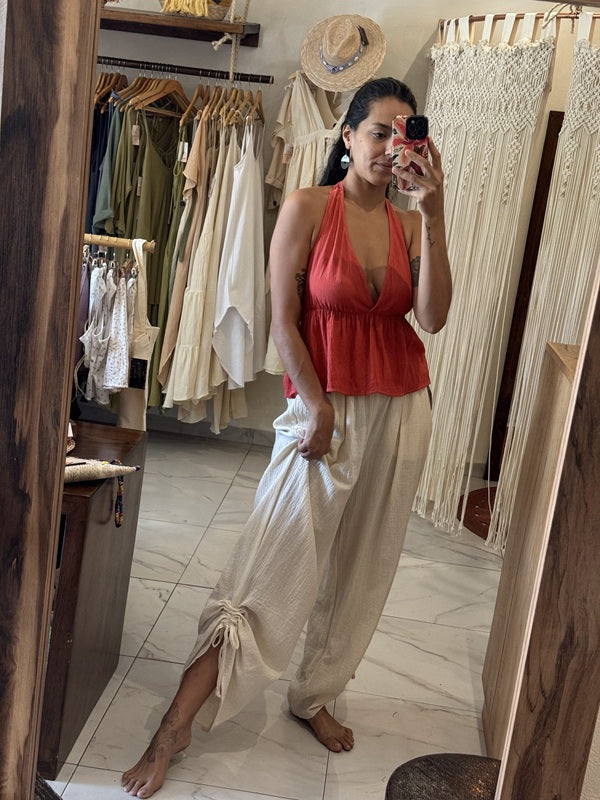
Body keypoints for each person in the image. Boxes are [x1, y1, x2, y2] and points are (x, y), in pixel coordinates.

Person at [122, 75, 452, 799]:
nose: (391, 147)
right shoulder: (307, 206)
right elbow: (282, 319)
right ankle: (175, 726)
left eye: (404, 133)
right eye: (378, 131)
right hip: (325, 410)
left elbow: (431, 319)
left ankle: (314, 694)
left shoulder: (408, 224)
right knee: (267, 567)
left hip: (403, 409)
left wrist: (434, 213)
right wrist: (319, 407)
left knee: (364, 569)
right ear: (348, 136)